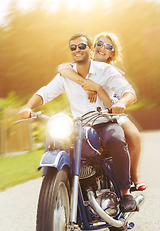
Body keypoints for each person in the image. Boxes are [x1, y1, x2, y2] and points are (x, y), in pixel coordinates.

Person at [19, 32, 137, 212]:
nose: (77, 50)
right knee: (59, 143)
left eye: (82, 46)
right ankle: (64, 190)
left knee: (117, 140)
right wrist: (28, 107)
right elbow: (45, 93)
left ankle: (126, 192)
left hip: (103, 122)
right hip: (78, 126)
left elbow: (128, 92)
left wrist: (121, 103)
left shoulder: (105, 70)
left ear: (90, 49)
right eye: (73, 47)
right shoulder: (66, 75)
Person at [58, 32, 146, 191]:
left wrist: (97, 89)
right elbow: (62, 69)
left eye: (108, 46)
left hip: (111, 112)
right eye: (99, 43)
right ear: (92, 47)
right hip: (87, 114)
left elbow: (118, 99)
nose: (102, 47)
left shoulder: (114, 72)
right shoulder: (79, 65)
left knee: (133, 136)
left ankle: (133, 175)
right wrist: (86, 83)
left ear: (112, 52)